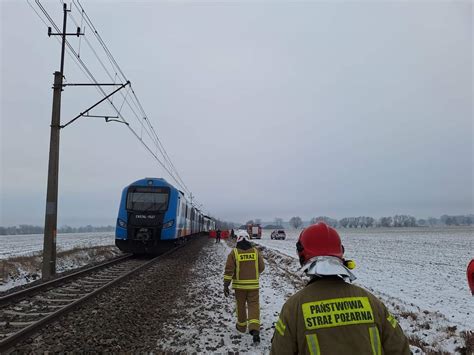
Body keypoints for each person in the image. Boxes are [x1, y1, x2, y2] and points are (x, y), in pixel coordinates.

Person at [270, 222, 411, 355]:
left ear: (302, 255)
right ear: (340, 253)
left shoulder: (293, 308)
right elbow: (400, 349)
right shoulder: (372, 302)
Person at [223, 232, 265, 344]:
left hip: (239, 287)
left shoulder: (234, 253)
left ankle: (241, 327)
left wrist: (226, 285)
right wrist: (253, 273)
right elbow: (262, 267)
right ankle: (254, 329)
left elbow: (229, 271)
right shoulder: (256, 252)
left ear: (238, 240)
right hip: (253, 286)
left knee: (240, 306)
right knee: (254, 305)